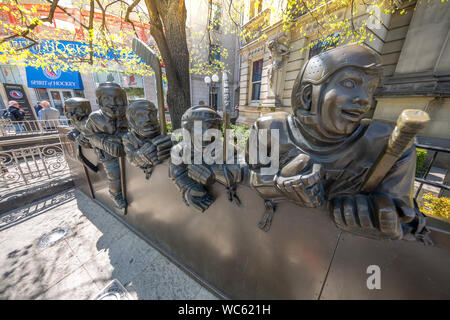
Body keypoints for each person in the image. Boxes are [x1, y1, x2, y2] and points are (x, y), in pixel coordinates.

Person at [247, 44, 429, 242]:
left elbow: (403, 215)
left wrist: (383, 213)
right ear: (308, 95)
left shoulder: (386, 144)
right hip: (280, 235)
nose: (365, 100)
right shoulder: (270, 129)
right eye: (350, 84)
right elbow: (252, 176)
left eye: (370, 89)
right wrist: (279, 184)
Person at [84, 82, 129, 209]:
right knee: (114, 173)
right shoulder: (95, 117)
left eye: (118, 99)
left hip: (125, 147)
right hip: (107, 152)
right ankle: (115, 195)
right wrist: (104, 141)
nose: (113, 103)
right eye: (107, 99)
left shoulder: (125, 115)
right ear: (99, 101)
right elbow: (88, 134)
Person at [122, 99, 172, 179]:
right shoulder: (129, 138)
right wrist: (142, 156)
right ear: (131, 120)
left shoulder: (160, 134)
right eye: (141, 115)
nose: (148, 119)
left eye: (152, 114)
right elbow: (131, 157)